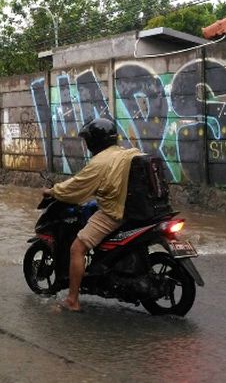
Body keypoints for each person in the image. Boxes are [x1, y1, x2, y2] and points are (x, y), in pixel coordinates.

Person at [42, 117, 142, 312]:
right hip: (135, 211)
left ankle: (72, 300)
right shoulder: (126, 153)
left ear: (95, 141)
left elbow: (76, 186)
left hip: (114, 213)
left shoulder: (100, 162)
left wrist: (52, 191)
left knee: (77, 249)